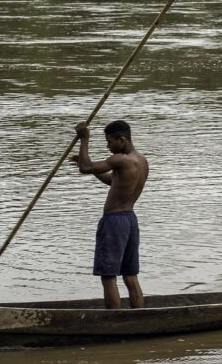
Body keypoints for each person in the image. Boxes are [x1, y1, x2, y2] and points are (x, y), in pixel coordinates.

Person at [71, 120, 149, 309]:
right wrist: (86, 164)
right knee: (130, 275)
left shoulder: (119, 160)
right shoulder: (142, 160)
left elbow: (86, 167)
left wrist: (84, 139)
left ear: (122, 139)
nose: (108, 146)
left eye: (110, 142)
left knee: (108, 276)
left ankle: (114, 321)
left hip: (114, 221)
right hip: (130, 220)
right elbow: (112, 181)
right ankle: (139, 319)